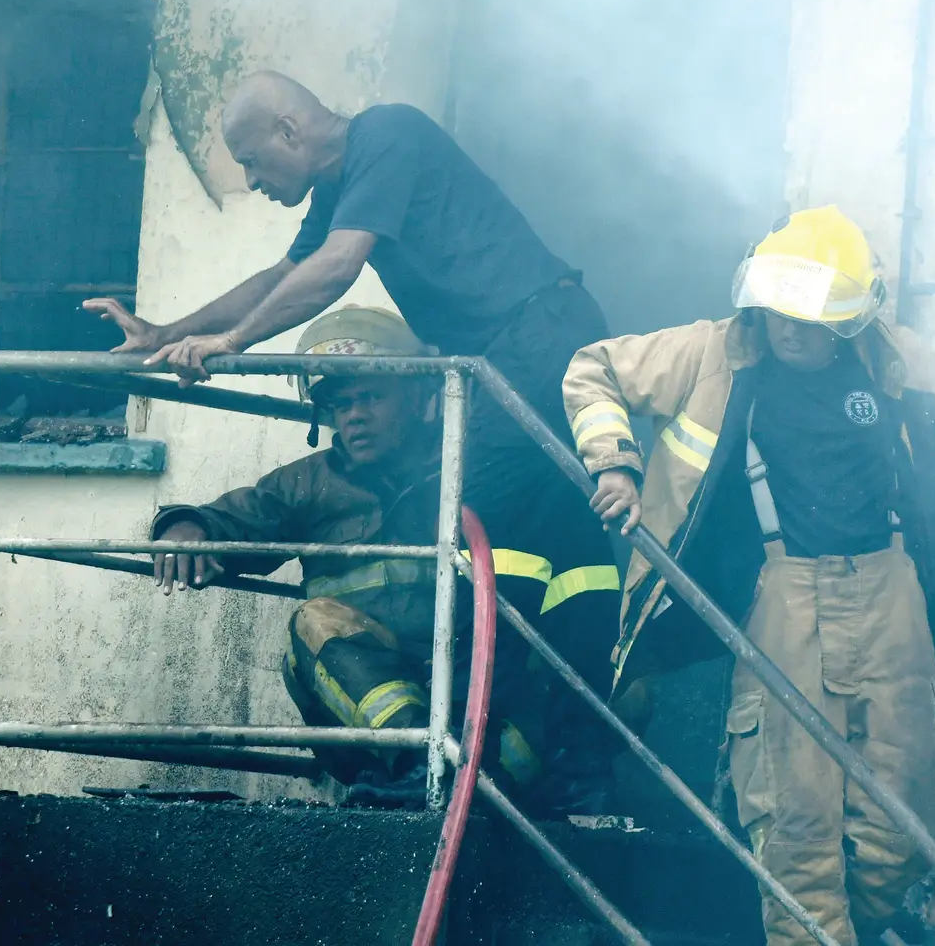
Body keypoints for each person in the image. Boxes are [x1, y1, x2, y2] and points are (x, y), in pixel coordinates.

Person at [88, 70, 620, 808]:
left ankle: (463, 768)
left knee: (480, 530)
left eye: (252, 161)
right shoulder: (342, 186)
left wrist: (236, 341)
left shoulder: (388, 135)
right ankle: (520, 766)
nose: (251, 179)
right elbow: (288, 271)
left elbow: (335, 269)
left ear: (291, 131)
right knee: (540, 541)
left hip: (535, 339)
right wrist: (171, 333)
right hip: (517, 349)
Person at [561, 206, 935, 946]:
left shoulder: (900, 360)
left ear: (852, 317)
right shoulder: (711, 352)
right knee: (797, 823)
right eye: (779, 310)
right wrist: (614, 461)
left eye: (812, 317)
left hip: (890, 595)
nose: (789, 329)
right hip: (781, 601)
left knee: (908, 827)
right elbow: (593, 369)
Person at [148, 308, 547, 804]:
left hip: (474, 697)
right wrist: (183, 528)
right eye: (340, 404)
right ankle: (420, 767)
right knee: (315, 619)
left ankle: (483, 779)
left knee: (599, 678)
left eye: (371, 397)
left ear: (419, 396)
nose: (354, 415)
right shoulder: (307, 483)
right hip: (368, 732)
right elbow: (230, 518)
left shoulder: (473, 472)